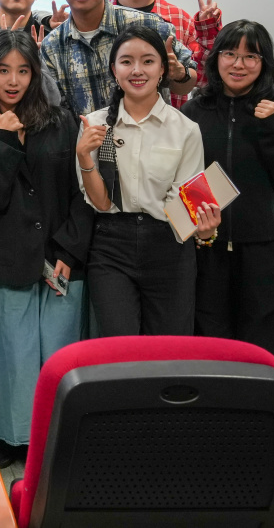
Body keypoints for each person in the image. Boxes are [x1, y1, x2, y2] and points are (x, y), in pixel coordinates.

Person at [0, 29, 93, 467]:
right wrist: (4, 140)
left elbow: (83, 193)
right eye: (3, 70)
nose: (13, 80)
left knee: (59, 353)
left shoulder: (62, 122)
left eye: (23, 71)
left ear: (36, 75)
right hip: (10, 256)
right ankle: (9, 436)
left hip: (61, 255)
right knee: (13, 354)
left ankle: (57, 438)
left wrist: (70, 250)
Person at [76, 25, 221, 338]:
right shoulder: (95, 125)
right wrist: (84, 157)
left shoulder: (186, 129)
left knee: (169, 347)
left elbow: (184, 207)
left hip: (170, 244)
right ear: (114, 69)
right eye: (126, 61)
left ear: (163, 69)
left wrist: (205, 231)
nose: (137, 70)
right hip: (110, 246)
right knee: (118, 346)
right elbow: (101, 203)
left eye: (148, 61)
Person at [182, 21, 274, 378]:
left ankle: (268, 413)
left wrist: (271, 129)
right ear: (216, 59)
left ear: (264, 63)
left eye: (251, 56)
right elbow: (182, 179)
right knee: (211, 351)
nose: (238, 64)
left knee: (265, 353)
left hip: (267, 253)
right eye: (229, 54)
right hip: (208, 250)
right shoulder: (193, 112)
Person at [41, 0, 197, 119]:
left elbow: (188, 82)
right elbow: (58, 112)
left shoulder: (147, 24)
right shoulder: (52, 46)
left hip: (150, 134)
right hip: (86, 136)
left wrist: (180, 75)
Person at [111, 0, 222, 108]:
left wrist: (207, 30)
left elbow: (204, 78)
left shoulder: (180, 19)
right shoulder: (99, 17)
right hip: (109, 120)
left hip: (166, 121)